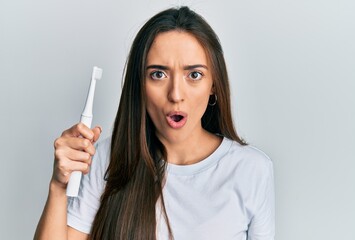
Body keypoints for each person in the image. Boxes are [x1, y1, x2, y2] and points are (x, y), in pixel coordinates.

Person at [34, 6, 275, 240]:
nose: (176, 94)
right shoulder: (107, 159)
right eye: (158, 74)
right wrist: (58, 187)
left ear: (214, 84)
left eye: (194, 75)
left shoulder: (252, 170)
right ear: (140, 84)